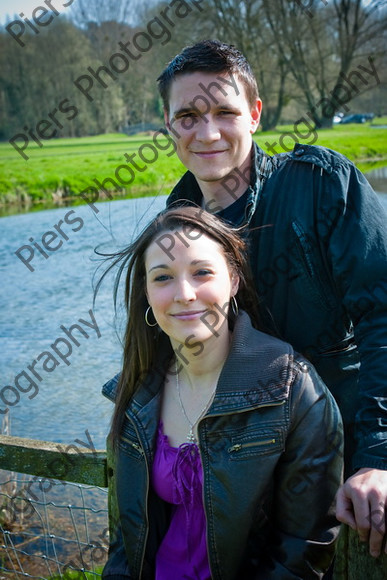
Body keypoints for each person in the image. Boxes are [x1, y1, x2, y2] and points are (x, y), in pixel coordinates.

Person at [156, 39, 387, 559]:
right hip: (238, 497)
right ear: (168, 125)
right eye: (188, 115)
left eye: (224, 112)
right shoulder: (171, 231)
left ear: (255, 113)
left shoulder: (321, 186)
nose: (207, 131)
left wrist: (378, 458)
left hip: (345, 482)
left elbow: (384, 317)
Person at [100, 206, 343, 579]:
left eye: (202, 272)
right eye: (162, 277)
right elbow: (127, 540)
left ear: (233, 280)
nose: (184, 294)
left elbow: (303, 552)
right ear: (147, 293)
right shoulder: (137, 396)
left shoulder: (293, 389)